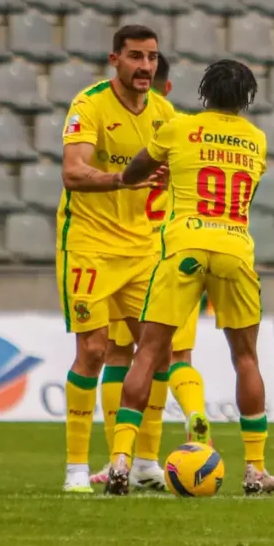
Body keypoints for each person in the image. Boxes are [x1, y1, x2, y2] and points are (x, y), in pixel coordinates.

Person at [106, 59, 274, 497]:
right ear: (248, 99)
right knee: (246, 358)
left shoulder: (179, 128)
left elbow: (135, 173)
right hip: (234, 248)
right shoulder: (257, 140)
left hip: (184, 244)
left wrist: (141, 176)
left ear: (204, 93)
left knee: (148, 353)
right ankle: (255, 469)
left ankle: (120, 462)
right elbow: (250, 189)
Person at [57, 25, 175, 493]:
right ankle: (74, 470)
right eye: (135, 57)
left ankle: (145, 462)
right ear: (115, 60)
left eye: (151, 57)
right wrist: (122, 181)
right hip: (89, 242)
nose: (144, 66)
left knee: (157, 348)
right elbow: (73, 172)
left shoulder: (165, 114)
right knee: (93, 349)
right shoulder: (89, 105)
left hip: (142, 247)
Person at [92, 53, 211, 488]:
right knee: (176, 356)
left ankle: (120, 459)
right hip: (184, 251)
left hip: (134, 251)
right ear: (170, 89)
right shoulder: (184, 135)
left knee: (123, 356)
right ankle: (181, 427)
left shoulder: (148, 136)